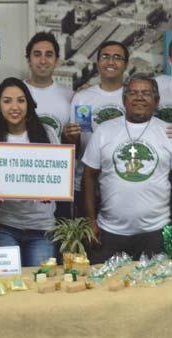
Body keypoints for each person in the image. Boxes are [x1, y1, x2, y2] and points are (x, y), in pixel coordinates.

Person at [82, 73, 172, 263]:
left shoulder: (170, 132)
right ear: (124, 99)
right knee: (106, 289)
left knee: (155, 289)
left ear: (157, 100)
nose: (139, 97)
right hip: (109, 231)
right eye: (133, 93)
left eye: (146, 93)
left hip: (157, 231)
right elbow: (88, 177)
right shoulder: (104, 131)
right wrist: (91, 222)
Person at [0, 78, 60, 266]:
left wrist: (54, 191)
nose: (14, 107)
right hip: (4, 225)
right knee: (5, 285)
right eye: (7, 101)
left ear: (29, 104)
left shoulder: (47, 134)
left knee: (41, 284)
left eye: (20, 100)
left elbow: (59, 176)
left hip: (42, 227)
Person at [65, 41, 128, 216]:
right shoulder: (83, 98)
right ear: (98, 63)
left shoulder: (133, 97)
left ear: (126, 64)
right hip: (85, 183)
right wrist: (70, 138)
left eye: (117, 58)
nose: (110, 62)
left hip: (123, 183)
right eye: (105, 57)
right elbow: (82, 137)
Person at [24, 32, 74, 218]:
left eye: (49, 54)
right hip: (22, 178)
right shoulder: (16, 93)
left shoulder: (70, 96)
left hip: (58, 182)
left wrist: (72, 138)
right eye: (37, 54)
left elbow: (75, 142)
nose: (43, 60)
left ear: (57, 60)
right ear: (28, 60)